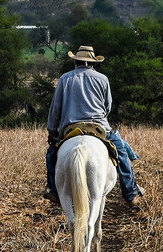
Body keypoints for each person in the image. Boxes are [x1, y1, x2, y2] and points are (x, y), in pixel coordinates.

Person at [44, 45, 145, 206]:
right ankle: (130, 193)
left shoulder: (65, 78)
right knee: (122, 153)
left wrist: (51, 130)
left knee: (51, 155)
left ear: (76, 61)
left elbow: (55, 108)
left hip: (70, 127)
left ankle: (54, 191)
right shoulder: (102, 79)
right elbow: (108, 107)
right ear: (93, 63)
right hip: (99, 127)